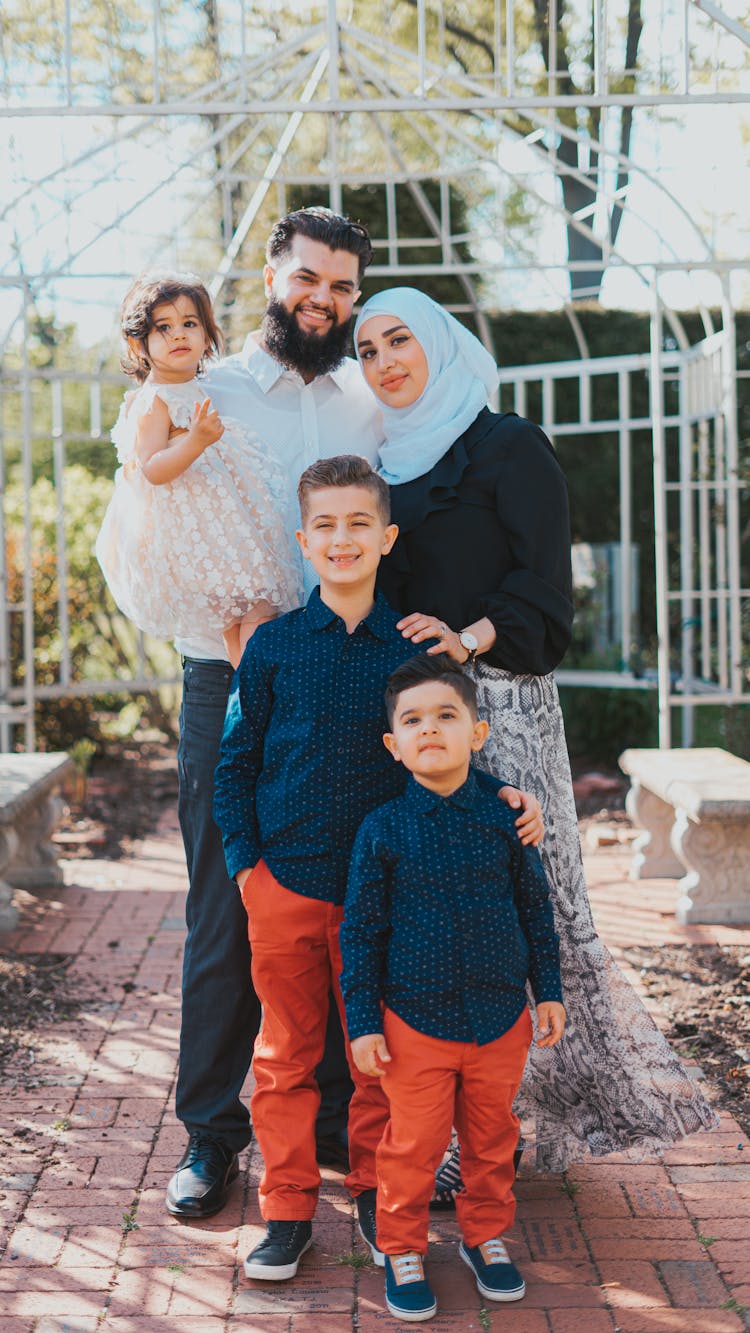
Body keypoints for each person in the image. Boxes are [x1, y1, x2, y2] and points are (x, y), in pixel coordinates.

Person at [353, 287, 718, 1187]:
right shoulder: (378, 461)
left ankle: (540, 1118)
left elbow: (549, 591)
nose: (385, 360)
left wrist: (467, 638)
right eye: (366, 350)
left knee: (527, 901)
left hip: (505, 702)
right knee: (427, 913)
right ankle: (446, 1133)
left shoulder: (507, 445)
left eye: (400, 338)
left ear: (439, 343)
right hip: (412, 721)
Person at [212, 456, 544, 1282]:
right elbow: (232, 766)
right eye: (324, 524)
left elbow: (446, 748)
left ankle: (370, 1189)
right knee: (286, 1058)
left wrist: (508, 796)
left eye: (359, 522)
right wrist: (248, 871)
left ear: (387, 536)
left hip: (392, 901)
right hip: (286, 884)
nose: (342, 538)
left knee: (377, 1060)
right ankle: (286, 1210)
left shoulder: (412, 650)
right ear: (303, 540)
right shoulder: (274, 648)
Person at [160, 208, 384, 1220]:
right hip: (230, 679)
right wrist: (223, 617)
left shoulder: (362, 401)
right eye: (308, 278)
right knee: (228, 899)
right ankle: (213, 1133)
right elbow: (154, 525)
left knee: (343, 903)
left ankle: (335, 1120)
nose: (323, 299)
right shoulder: (208, 389)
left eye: (341, 286)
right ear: (270, 274)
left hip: (345, 680)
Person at [341, 654, 566, 1322]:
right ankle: (404, 1246)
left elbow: (535, 909)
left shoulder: (507, 820)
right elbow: (361, 934)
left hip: (501, 1017)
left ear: (479, 731)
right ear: (394, 743)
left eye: (447, 714)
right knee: (412, 1143)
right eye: (412, 719)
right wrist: (363, 1022)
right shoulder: (382, 829)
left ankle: (486, 1236)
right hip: (414, 1021)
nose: (429, 728)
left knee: (493, 1137)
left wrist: (547, 989)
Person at [96, 272, 302, 668]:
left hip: (223, 532)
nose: (179, 336)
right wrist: (196, 442)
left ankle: (249, 690)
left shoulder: (192, 388)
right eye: (164, 328)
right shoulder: (154, 400)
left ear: (208, 336)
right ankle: (255, 687)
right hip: (200, 540)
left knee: (247, 615)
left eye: (190, 324)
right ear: (139, 344)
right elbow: (152, 468)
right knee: (256, 605)